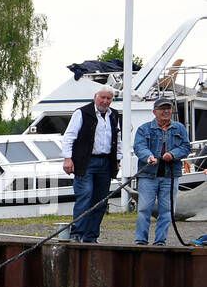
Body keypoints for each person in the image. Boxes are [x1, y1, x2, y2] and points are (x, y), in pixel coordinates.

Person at [62, 86, 122, 243]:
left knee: (101, 200)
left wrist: (117, 159)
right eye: (102, 97)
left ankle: (91, 236)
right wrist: (68, 158)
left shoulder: (114, 115)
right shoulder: (81, 113)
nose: (105, 101)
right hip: (86, 161)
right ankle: (77, 233)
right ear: (95, 97)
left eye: (108, 98)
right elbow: (69, 137)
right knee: (85, 195)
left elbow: (118, 139)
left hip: (106, 161)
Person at [132, 97, 191, 246]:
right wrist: (148, 157)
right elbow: (139, 147)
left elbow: (186, 147)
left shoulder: (179, 128)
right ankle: (141, 240)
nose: (166, 111)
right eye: (162, 108)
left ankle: (160, 241)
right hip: (148, 176)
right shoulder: (143, 129)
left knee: (167, 210)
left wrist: (173, 154)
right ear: (154, 112)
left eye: (168, 108)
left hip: (170, 176)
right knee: (144, 209)